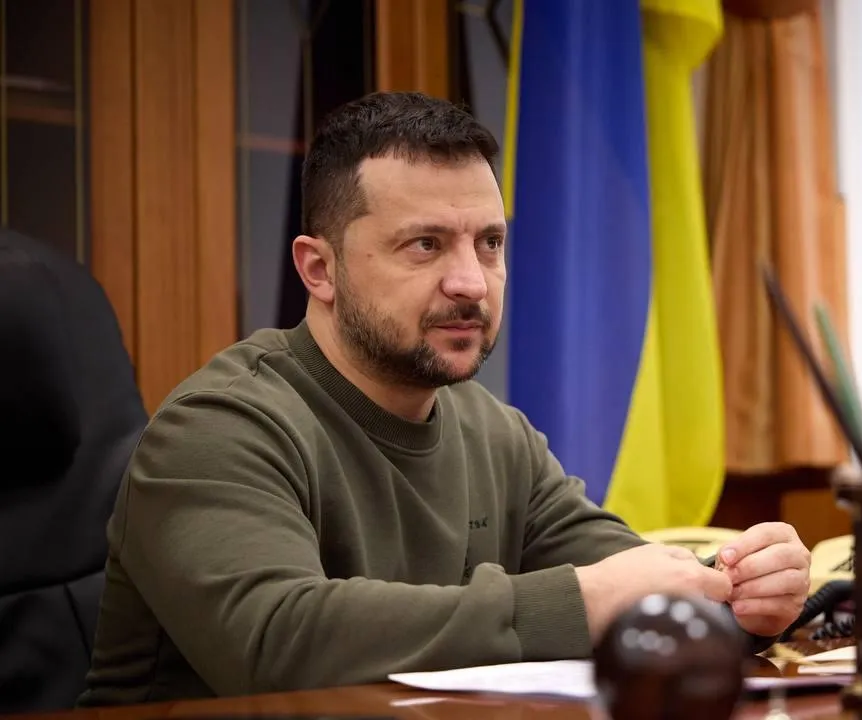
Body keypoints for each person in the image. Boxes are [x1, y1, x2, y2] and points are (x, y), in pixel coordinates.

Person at [78, 92, 812, 706]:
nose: (471, 282)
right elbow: (277, 643)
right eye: (425, 245)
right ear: (319, 269)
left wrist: (743, 592)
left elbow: (627, 581)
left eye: (489, 244)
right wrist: (581, 601)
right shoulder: (216, 429)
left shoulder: (493, 433)